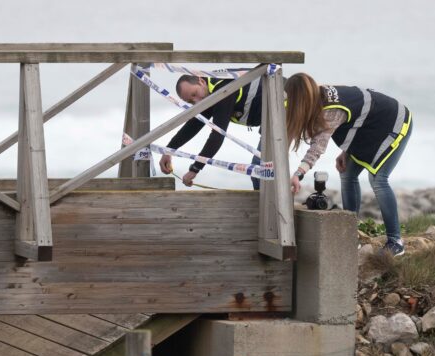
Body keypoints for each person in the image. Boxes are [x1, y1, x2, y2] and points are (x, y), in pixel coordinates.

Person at [285, 72, 413, 256]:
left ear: (300, 100)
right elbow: (358, 114)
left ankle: (396, 242)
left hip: (394, 121)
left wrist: (298, 174)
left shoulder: (329, 111)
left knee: (378, 179)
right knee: (347, 173)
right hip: (369, 126)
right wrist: (347, 149)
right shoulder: (318, 97)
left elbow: (318, 147)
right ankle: (351, 235)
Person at [158, 73, 265, 189]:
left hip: (282, 107)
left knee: (260, 173)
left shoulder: (223, 91)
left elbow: (217, 136)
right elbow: (193, 126)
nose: (197, 102)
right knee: (259, 173)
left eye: (194, 94)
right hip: (272, 118)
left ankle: (273, 206)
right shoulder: (208, 93)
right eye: (191, 101)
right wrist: (168, 151)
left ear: (201, 81)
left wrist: (195, 169)